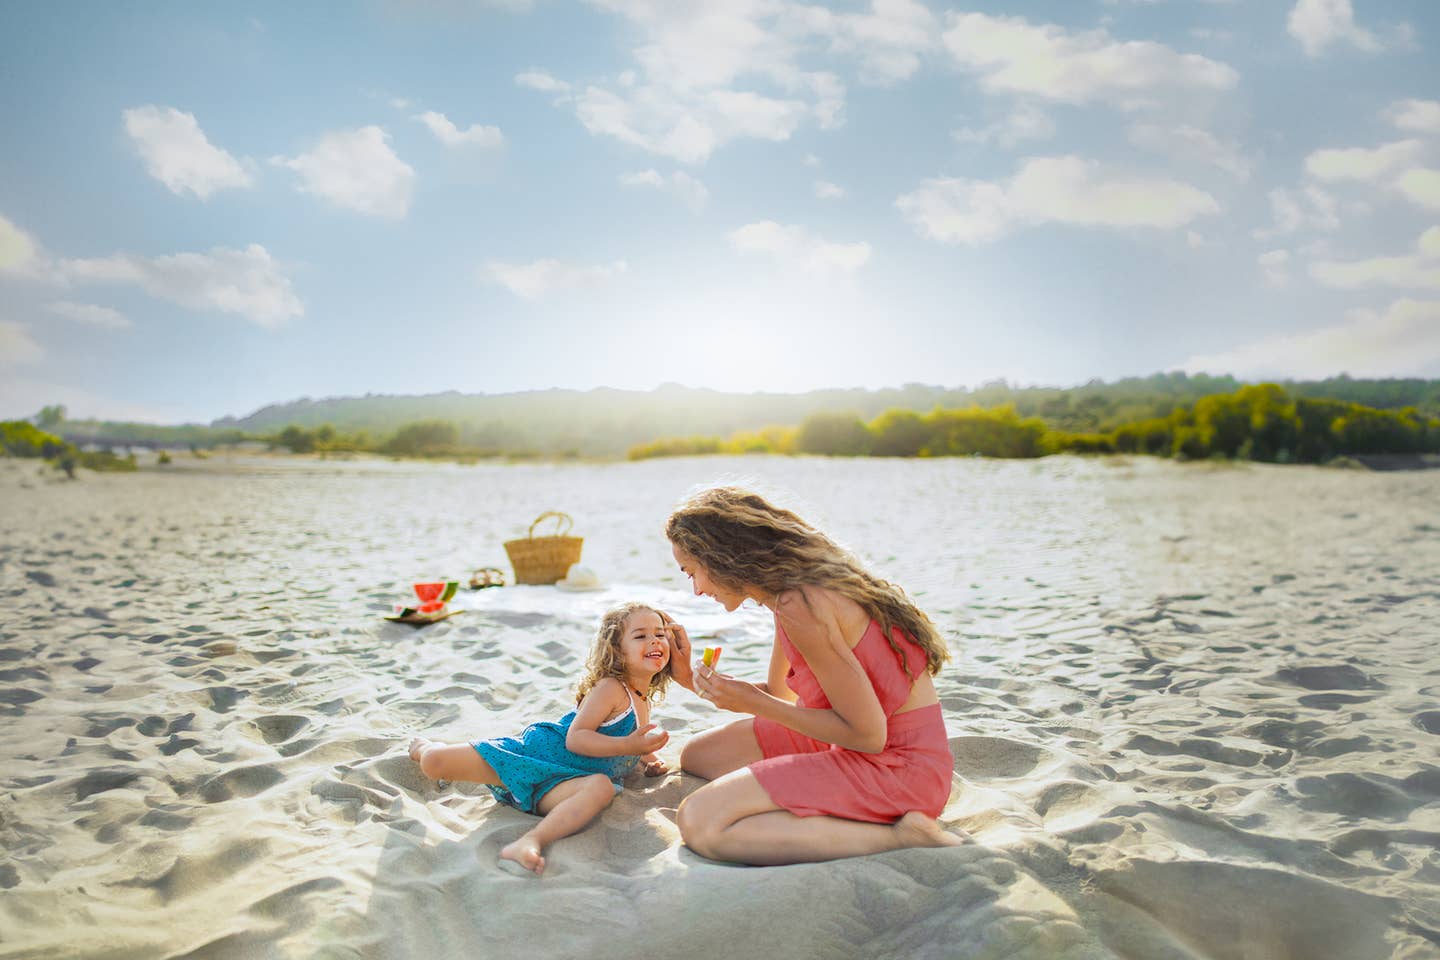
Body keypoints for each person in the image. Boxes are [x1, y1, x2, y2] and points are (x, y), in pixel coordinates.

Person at [664, 486, 965, 865]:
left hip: (900, 769)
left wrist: (753, 703)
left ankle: (899, 835)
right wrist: (690, 679)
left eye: (692, 573)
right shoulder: (785, 593)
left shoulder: (801, 604)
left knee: (701, 821)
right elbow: (780, 693)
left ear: (722, 557)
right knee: (699, 755)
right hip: (862, 743)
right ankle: (814, 798)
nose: (696, 590)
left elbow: (868, 736)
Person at [408, 602, 675, 876]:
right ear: (617, 651)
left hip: (564, 784)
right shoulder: (611, 688)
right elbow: (577, 739)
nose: (654, 640)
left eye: (660, 634)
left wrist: (649, 757)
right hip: (532, 759)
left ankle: (530, 841)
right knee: (435, 763)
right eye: (641, 635)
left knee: (602, 788)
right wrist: (627, 746)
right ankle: (426, 748)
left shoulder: (641, 696)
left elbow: (632, 738)